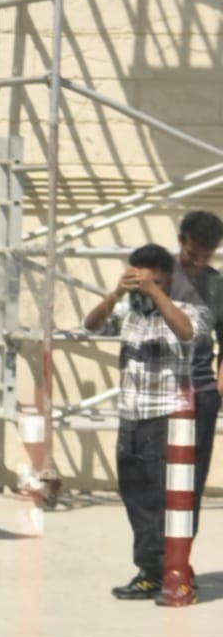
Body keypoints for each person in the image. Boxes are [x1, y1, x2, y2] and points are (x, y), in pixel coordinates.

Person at [84, 244, 210, 601]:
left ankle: (165, 570)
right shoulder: (129, 312)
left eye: (149, 280)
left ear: (167, 279)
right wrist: (116, 293)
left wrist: (155, 293)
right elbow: (91, 325)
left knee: (164, 501)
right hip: (130, 417)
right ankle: (156, 568)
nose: (141, 288)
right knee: (136, 498)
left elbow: (187, 332)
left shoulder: (190, 309)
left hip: (165, 419)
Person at [170, 210, 223, 531]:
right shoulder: (159, 278)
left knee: (192, 484)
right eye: (193, 255)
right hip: (159, 395)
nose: (199, 263)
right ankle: (154, 556)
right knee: (155, 481)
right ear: (181, 242)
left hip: (201, 395)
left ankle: (182, 553)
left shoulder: (217, 285)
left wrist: (218, 390)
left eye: (207, 256)